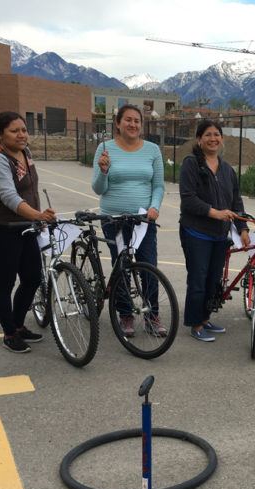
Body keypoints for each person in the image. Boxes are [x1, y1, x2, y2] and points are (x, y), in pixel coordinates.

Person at [0, 112, 56, 353]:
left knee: (33, 277)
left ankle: (19, 324)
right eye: (15, 131)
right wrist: (37, 215)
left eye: (24, 130)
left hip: (26, 228)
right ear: (0, 133)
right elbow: (9, 197)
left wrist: (37, 216)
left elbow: (30, 190)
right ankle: (9, 332)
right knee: (5, 282)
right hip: (2, 230)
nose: (22, 134)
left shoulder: (25, 153)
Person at [92, 103, 165, 337]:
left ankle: (152, 315)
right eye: (128, 120)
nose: (133, 124)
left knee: (148, 266)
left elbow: (158, 185)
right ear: (117, 123)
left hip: (143, 219)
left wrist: (154, 207)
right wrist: (103, 171)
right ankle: (125, 315)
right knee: (121, 266)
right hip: (113, 219)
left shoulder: (153, 150)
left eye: (137, 121)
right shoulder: (105, 149)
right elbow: (98, 189)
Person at [179, 120, 250, 342]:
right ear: (199, 139)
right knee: (198, 280)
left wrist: (243, 227)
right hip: (196, 232)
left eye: (217, 134)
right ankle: (195, 324)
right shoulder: (191, 163)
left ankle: (206, 318)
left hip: (220, 236)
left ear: (221, 139)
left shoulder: (227, 169)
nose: (213, 138)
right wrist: (215, 213)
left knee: (213, 281)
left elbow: (236, 201)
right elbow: (188, 199)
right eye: (208, 135)